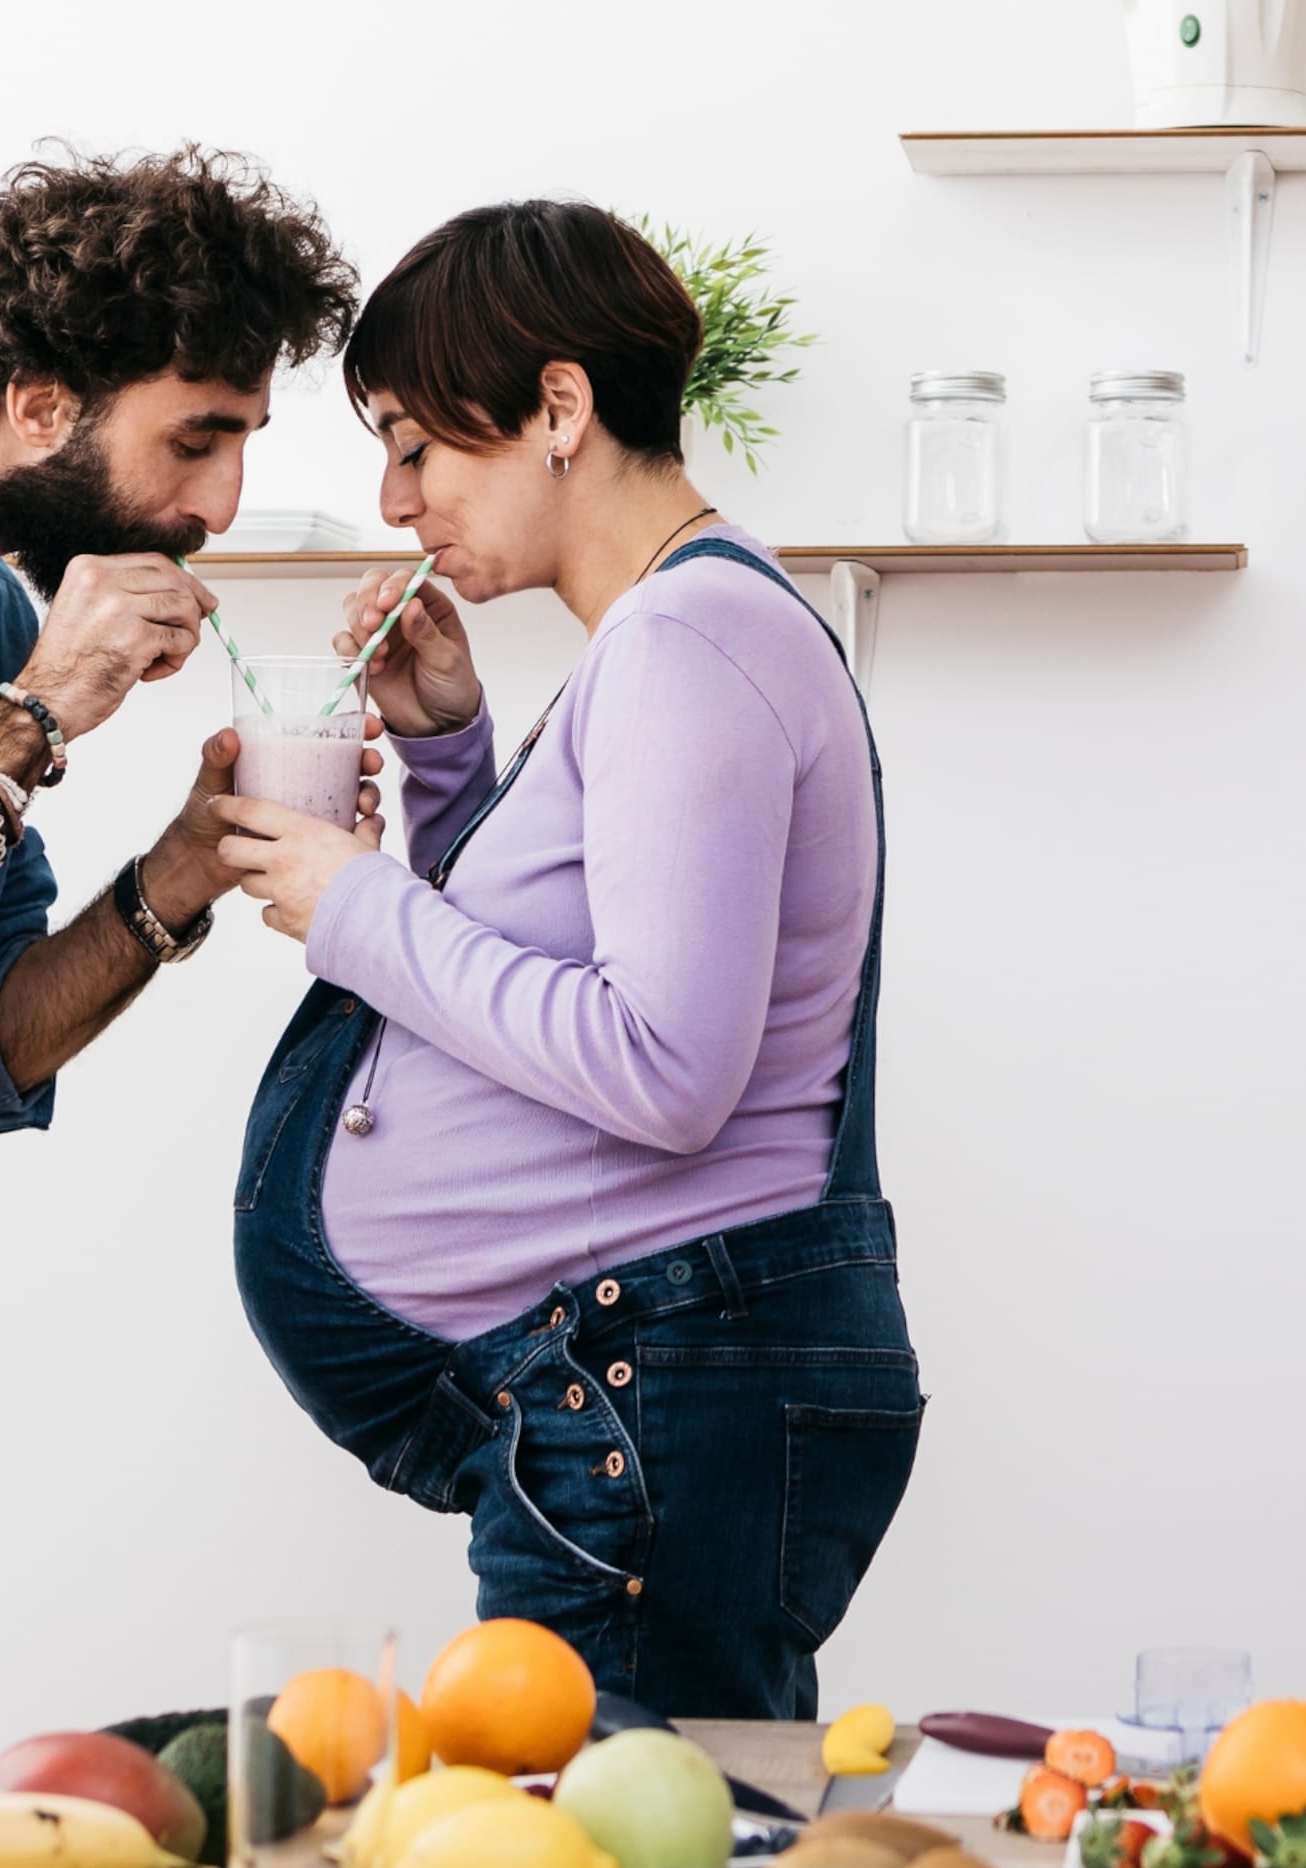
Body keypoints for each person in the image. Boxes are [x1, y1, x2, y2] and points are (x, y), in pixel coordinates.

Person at [217, 199, 924, 1720]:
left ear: (556, 407)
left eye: (416, 443)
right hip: (628, 1398)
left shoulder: (689, 647)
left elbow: (663, 1067)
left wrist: (353, 904)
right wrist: (453, 757)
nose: (397, 499)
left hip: (645, 1402)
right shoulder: (681, 632)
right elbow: (575, 966)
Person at [0, 145, 361, 1868]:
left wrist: (178, 870)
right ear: (39, 402)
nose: (225, 503)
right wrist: (33, 726)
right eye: (199, 436)